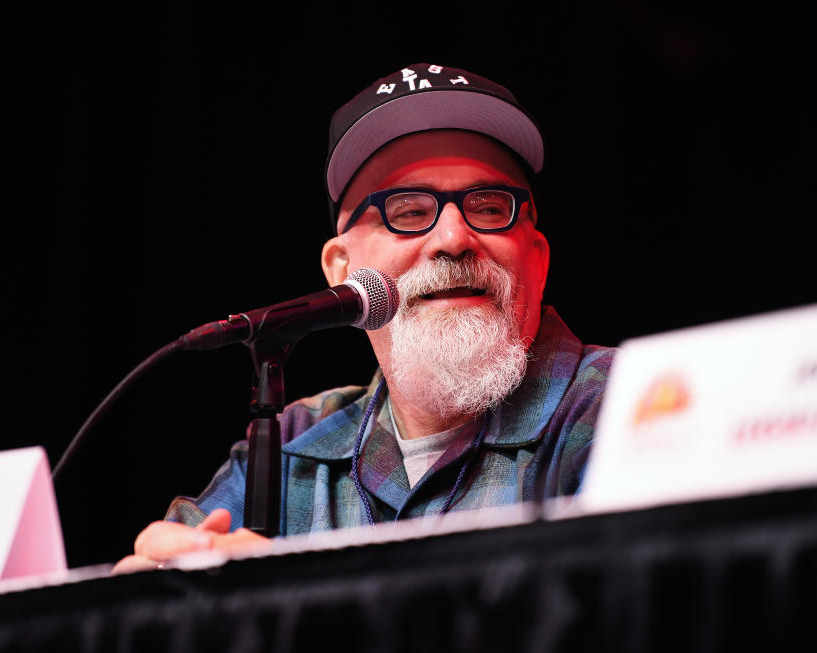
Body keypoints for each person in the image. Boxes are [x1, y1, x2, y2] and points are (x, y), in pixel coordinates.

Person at [113, 63, 616, 573]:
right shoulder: (293, 444)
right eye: (408, 211)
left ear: (537, 256)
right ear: (342, 270)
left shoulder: (623, 407)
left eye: (489, 207)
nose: (453, 238)